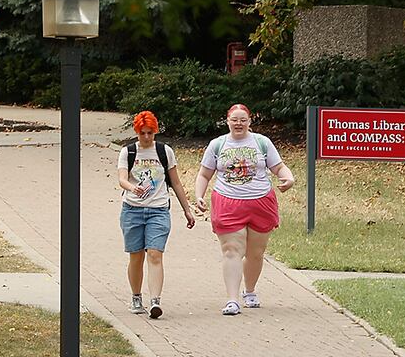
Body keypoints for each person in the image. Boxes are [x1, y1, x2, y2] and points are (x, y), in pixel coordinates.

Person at [193, 103, 295, 316]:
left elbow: (278, 167)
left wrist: (288, 178)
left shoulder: (262, 142)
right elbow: (204, 174)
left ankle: (249, 290)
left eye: (243, 120)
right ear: (227, 121)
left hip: (260, 203)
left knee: (255, 253)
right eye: (234, 120)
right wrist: (199, 196)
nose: (238, 124)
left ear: (250, 121)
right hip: (228, 202)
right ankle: (232, 300)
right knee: (231, 250)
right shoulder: (217, 145)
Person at [116, 110, 196, 319]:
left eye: (150, 133)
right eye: (143, 133)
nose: (147, 137)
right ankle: (136, 297)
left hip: (158, 210)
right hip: (132, 210)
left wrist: (187, 209)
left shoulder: (164, 151)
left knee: (155, 253)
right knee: (136, 256)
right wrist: (132, 188)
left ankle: (155, 301)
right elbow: (122, 179)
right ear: (137, 132)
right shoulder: (128, 152)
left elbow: (175, 182)